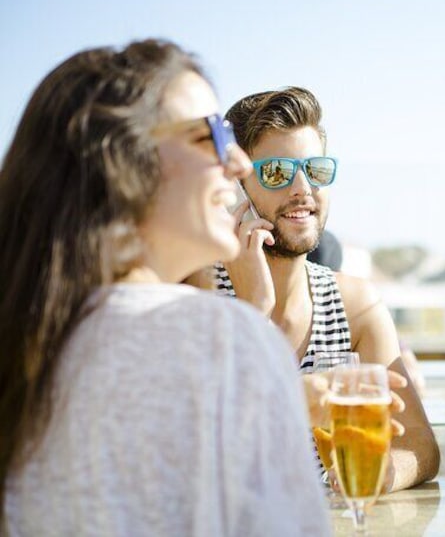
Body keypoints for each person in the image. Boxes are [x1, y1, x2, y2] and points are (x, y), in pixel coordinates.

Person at [0, 40, 330, 535]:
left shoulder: (28, 337)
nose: (238, 164)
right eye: (212, 136)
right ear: (125, 163)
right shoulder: (224, 341)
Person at [215, 87, 440, 491]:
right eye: (277, 172)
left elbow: (420, 445)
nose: (302, 188)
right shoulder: (197, 295)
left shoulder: (356, 305)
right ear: (238, 191)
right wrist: (253, 312)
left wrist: (386, 474)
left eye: (315, 170)